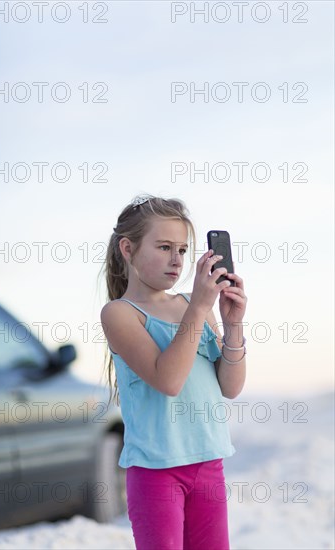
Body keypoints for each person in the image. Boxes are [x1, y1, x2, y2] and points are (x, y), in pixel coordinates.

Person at [100, 194, 247, 550]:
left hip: (209, 463)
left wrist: (233, 326)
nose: (176, 260)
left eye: (182, 250)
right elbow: (168, 380)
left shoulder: (190, 305)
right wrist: (198, 307)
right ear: (128, 248)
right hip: (156, 472)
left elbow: (230, 386)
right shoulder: (120, 313)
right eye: (164, 247)